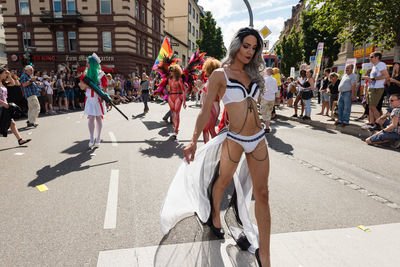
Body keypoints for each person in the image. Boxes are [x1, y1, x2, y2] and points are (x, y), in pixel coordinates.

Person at [161, 27, 270, 267]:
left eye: (254, 47)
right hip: (234, 139)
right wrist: (192, 140)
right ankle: (214, 216)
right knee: (222, 181)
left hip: (258, 138)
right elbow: (204, 109)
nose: (250, 51)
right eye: (246, 46)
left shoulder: (255, 74)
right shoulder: (220, 75)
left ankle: (265, 256)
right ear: (237, 45)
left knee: (262, 194)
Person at [79, 53, 107, 148]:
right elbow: (81, 86)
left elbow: (105, 87)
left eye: (88, 62)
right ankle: (91, 138)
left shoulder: (101, 74)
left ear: (93, 63)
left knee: (99, 118)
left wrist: (103, 96)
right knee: (91, 117)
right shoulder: (86, 73)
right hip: (90, 99)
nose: (87, 64)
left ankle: (98, 138)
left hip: (98, 98)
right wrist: (90, 85)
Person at [0, 67, 31, 145]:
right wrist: (4, 104)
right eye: (4, 73)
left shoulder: (3, 82)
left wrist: (9, 75)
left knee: (12, 123)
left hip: (4, 107)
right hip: (2, 106)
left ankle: (20, 140)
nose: (5, 75)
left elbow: (13, 84)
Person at [363, 52, 390, 125]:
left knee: (373, 107)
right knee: (370, 107)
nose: (370, 58)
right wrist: (369, 78)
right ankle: (372, 122)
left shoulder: (381, 64)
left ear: (377, 57)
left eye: (371, 57)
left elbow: (386, 75)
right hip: (372, 88)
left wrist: (373, 78)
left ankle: (380, 124)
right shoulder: (374, 66)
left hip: (377, 88)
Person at [201, 58, 221, 143]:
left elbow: (211, 94)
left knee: (210, 129)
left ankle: (216, 149)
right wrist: (200, 88)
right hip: (210, 106)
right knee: (205, 129)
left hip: (212, 106)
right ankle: (207, 149)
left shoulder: (214, 80)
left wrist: (201, 87)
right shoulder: (213, 79)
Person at [167, 65, 186, 138]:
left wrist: (184, 101)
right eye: (170, 71)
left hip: (178, 96)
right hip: (170, 97)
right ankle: (175, 127)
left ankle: (175, 131)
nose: (170, 72)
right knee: (172, 115)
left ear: (176, 71)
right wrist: (167, 89)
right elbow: (169, 89)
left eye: (172, 71)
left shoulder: (180, 79)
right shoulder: (169, 79)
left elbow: (183, 90)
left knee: (176, 114)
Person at [260, 67, 278, 133]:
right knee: (269, 112)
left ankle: (266, 126)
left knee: (264, 112)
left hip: (265, 97)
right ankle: (267, 126)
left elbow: (261, 88)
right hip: (272, 97)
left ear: (267, 72)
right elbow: (276, 90)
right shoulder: (274, 80)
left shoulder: (264, 79)